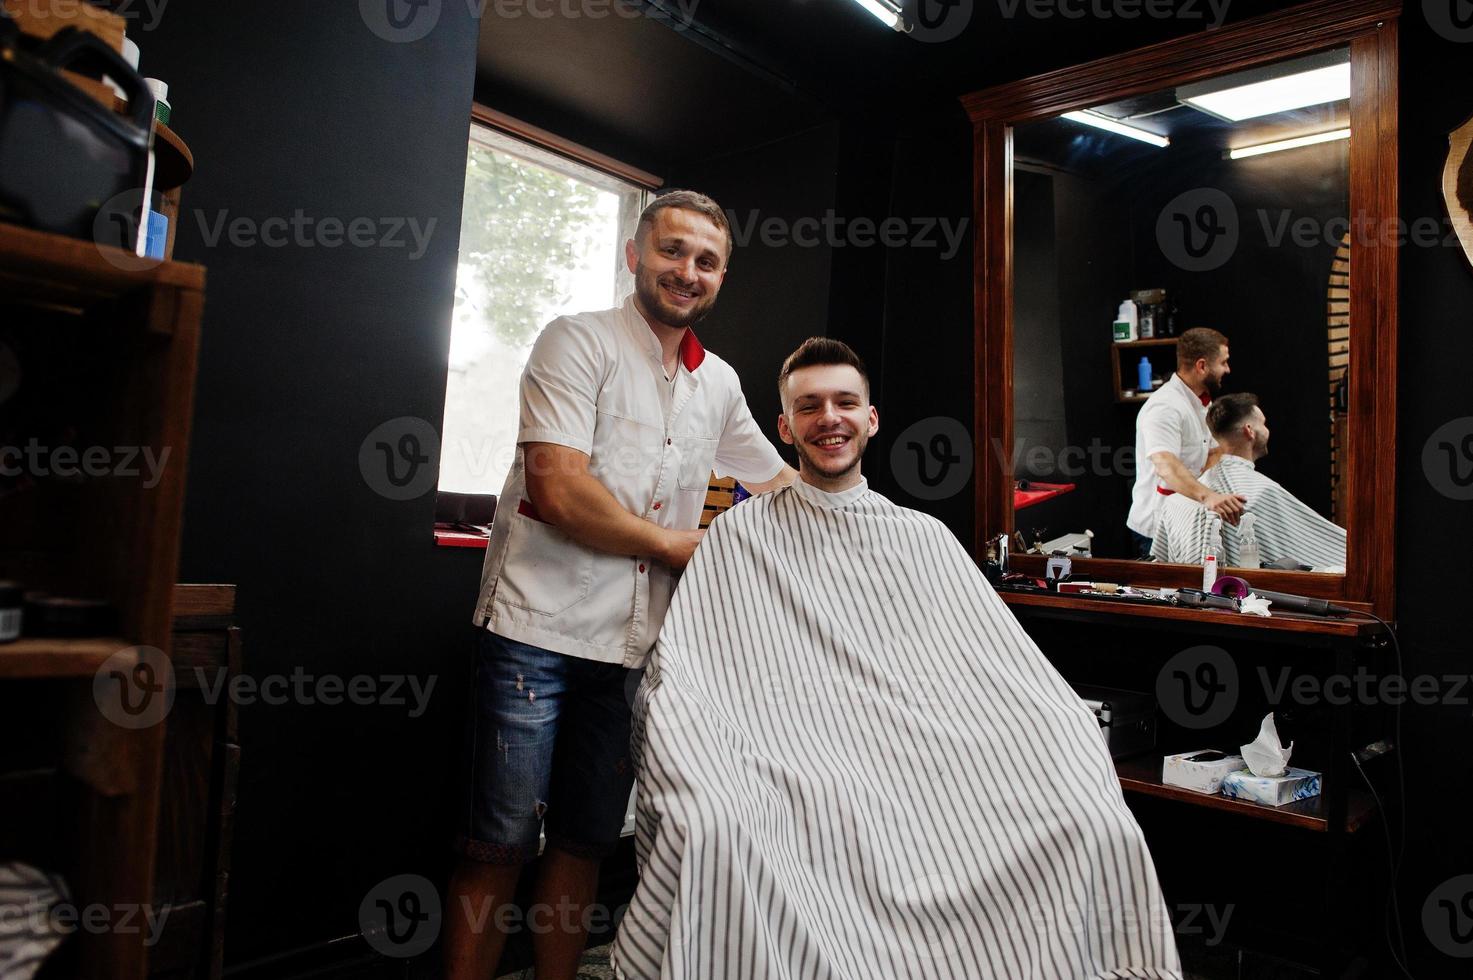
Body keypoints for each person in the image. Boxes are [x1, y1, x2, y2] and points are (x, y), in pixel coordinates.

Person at [612, 338, 1182, 979]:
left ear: (871, 418)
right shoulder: (740, 535)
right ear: (785, 427)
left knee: (1089, 818)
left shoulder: (923, 536)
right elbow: (687, 673)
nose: (829, 417)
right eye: (809, 406)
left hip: (916, 755)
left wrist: (1065, 728)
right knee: (715, 824)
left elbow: (1000, 671)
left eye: (845, 402)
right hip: (791, 756)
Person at [444, 190, 796, 980]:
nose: (687, 271)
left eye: (706, 261)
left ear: (721, 276)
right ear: (634, 254)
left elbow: (775, 488)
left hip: (634, 650)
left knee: (585, 843)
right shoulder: (576, 342)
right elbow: (560, 490)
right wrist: (679, 544)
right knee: (496, 843)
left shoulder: (721, 384)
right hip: (531, 636)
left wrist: (862, 517)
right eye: (672, 251)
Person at [1152, 393, 1346, 570]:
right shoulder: (1262, 494)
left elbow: (1159, 565)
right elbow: (1328, 553)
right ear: (1249, 431)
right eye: (1264, 423)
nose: (1267, 430)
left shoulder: (1176, 503)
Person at [1126, 327, 1247, 558]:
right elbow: (1166, 465)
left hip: (1185, 520)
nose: (1227, 369)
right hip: (1154, 529)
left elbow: (1213, 452)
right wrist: (1209, 497)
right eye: (1223, 362)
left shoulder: (1203, 404)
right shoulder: (1164, 407)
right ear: (1202, 366)